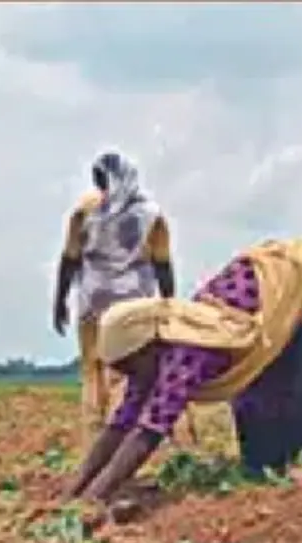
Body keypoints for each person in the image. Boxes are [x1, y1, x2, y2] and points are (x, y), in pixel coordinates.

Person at [65, 238, 302, 506]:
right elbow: (122, 424)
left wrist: (92, 500)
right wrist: (74, 490)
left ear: (148, 346)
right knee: (259, 409)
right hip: (272, 326)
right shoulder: (150, 358)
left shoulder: (189, 344)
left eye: (130, 367)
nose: (131, 379)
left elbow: (147, 433)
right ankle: (269, 477)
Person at [52, 150, 176, 449]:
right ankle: (123, 437)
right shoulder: (151, 215)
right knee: (128, 371)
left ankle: (96, 437)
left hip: (93, 302)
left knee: (92, 368)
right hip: (136, 306)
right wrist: (170, 306)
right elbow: (162, 265)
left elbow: (70, 259)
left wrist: (59, 301)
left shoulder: (84, 210)